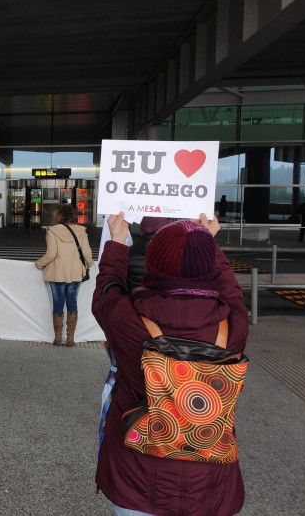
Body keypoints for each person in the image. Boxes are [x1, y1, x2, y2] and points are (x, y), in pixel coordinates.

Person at [92, 213, 248, 516]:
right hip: (210, 487)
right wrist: (207, 245)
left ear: (154, 263)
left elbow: (107, 290)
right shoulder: (232, 324)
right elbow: (232, 291)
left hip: (135, 478)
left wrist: (116, 242)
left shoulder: (128, 318)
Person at [34, 203, 93, 347]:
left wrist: (39, 263)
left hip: (57, 274)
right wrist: (90, 263)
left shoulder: (52, 231)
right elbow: (86, 253)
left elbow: (51, 254)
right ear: (73, 215)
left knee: (58, 305)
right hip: (75, 274)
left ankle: (58, 338)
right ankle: (71, 339)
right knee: (72, 304)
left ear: (58, 215)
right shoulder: (81, 231)